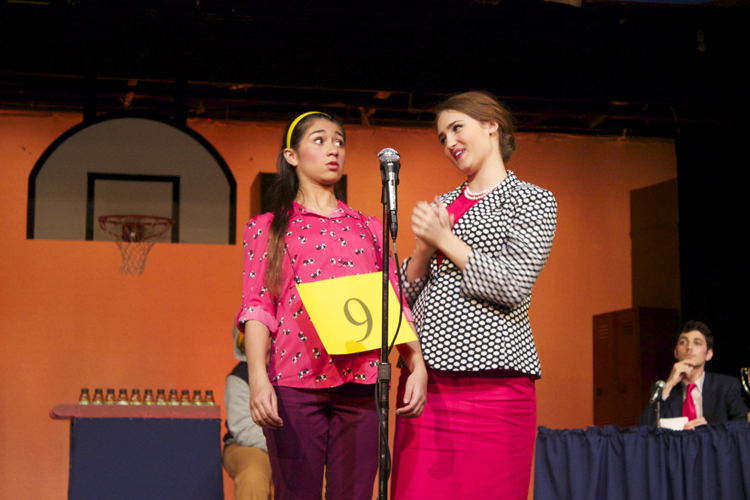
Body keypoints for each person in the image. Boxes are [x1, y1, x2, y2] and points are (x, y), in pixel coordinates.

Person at [236, 111, 427, 500]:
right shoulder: (268, 228)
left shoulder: (370, 227)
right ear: (292, 155)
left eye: (339, 141)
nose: (333, 150)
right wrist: (257, 377)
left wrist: (416, 363)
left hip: (362, 382)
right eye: (320, 141)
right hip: (296, 382)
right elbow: (257, 307)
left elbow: (392, 302)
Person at [390, 91, 557, 500]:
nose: (449, 143)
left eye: (456, 128)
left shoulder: (533, 199)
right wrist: (424, 250)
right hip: (427, 387)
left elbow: (513, 284)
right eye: (442, 137)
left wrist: (444, 239)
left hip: (495, 388)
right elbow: (403, 300)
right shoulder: (442, 204)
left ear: (491, 125)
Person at [638, 320, 749, 428]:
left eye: (697, 343)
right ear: (676, 352)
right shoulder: (663, 389)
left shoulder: (726, 386)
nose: (689, 348)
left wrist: (711, 430)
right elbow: (643, 429)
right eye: (683, 342)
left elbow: (743, 425)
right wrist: (669, 385)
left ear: (708, 354)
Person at [222, 326, 274, 500]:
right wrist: (283, 447)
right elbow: (245, 431)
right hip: (248, 446)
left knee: (319, 476)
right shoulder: (239, 377)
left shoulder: (292, 373)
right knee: (253, 476)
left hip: (290, 448)